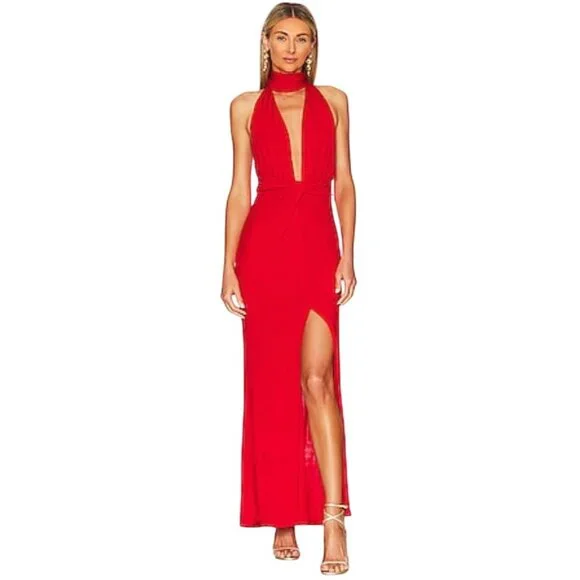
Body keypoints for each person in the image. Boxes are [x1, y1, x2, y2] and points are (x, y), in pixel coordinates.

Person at [221, 3, 357, 575]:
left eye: (301, 39)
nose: (291, 48)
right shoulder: (244, 107)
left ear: (312, 46)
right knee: (272, 386)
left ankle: (333, 517)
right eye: (281, 37)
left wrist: (349, 253)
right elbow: (239, 190)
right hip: (264, 250)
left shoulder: (335, 100)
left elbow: (345, 183)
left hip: (317, 247)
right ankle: (281, 512)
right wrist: (228, 265)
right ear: (266, 42)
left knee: (317, 380)